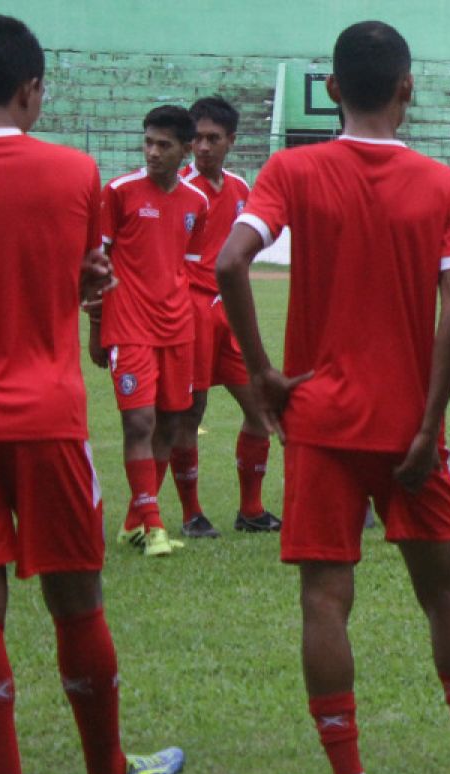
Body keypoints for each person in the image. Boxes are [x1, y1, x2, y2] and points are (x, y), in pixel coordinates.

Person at [216, 21, 450, 774]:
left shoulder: (292, 168)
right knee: (444, 592)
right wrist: (426, 424)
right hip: (409, 427)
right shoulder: (447, 187)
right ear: (407, 88)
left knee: (324, 599)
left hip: (320, 423)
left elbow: (229, 261)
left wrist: (263, 373)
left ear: (333, 89)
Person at [0, 15, 184, 774]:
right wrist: (83, 285)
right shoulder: (75, 173)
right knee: (77, 602)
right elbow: (73, 277)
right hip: (48, 416)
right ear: (31, 89)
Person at [92, 105, 208, 557]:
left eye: (164, 145)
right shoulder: (118, 192)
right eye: (148, 143)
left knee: (170, 421)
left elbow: (186, 265)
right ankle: (155, 526)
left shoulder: (196, 203)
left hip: (177, 328)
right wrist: (97, 326)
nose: (153, 152)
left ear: (185, 150)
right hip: (129, 326)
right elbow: (95, 265)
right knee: (138, 421)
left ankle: (132, 521)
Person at [169, 95, 280, 538]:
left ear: (231, 141)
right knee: (189, 412)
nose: (202, 147)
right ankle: (191, 513)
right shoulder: (178, 187)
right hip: (191, 311)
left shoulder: (238, 188)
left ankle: (250, 509)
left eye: (213, 138)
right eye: (196, 138)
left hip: (229, 313)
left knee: (259, 409)